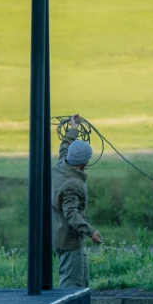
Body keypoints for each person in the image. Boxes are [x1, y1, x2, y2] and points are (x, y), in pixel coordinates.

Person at [51, 116, 102, 287]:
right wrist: (91, 231)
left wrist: (73, 128)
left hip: (61, 234)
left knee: (82, 281)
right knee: (71, 285)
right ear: (85, 162)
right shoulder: (73, 184)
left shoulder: (61, 165)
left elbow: (65, 146)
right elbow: (71, 213)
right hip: (69, 239)